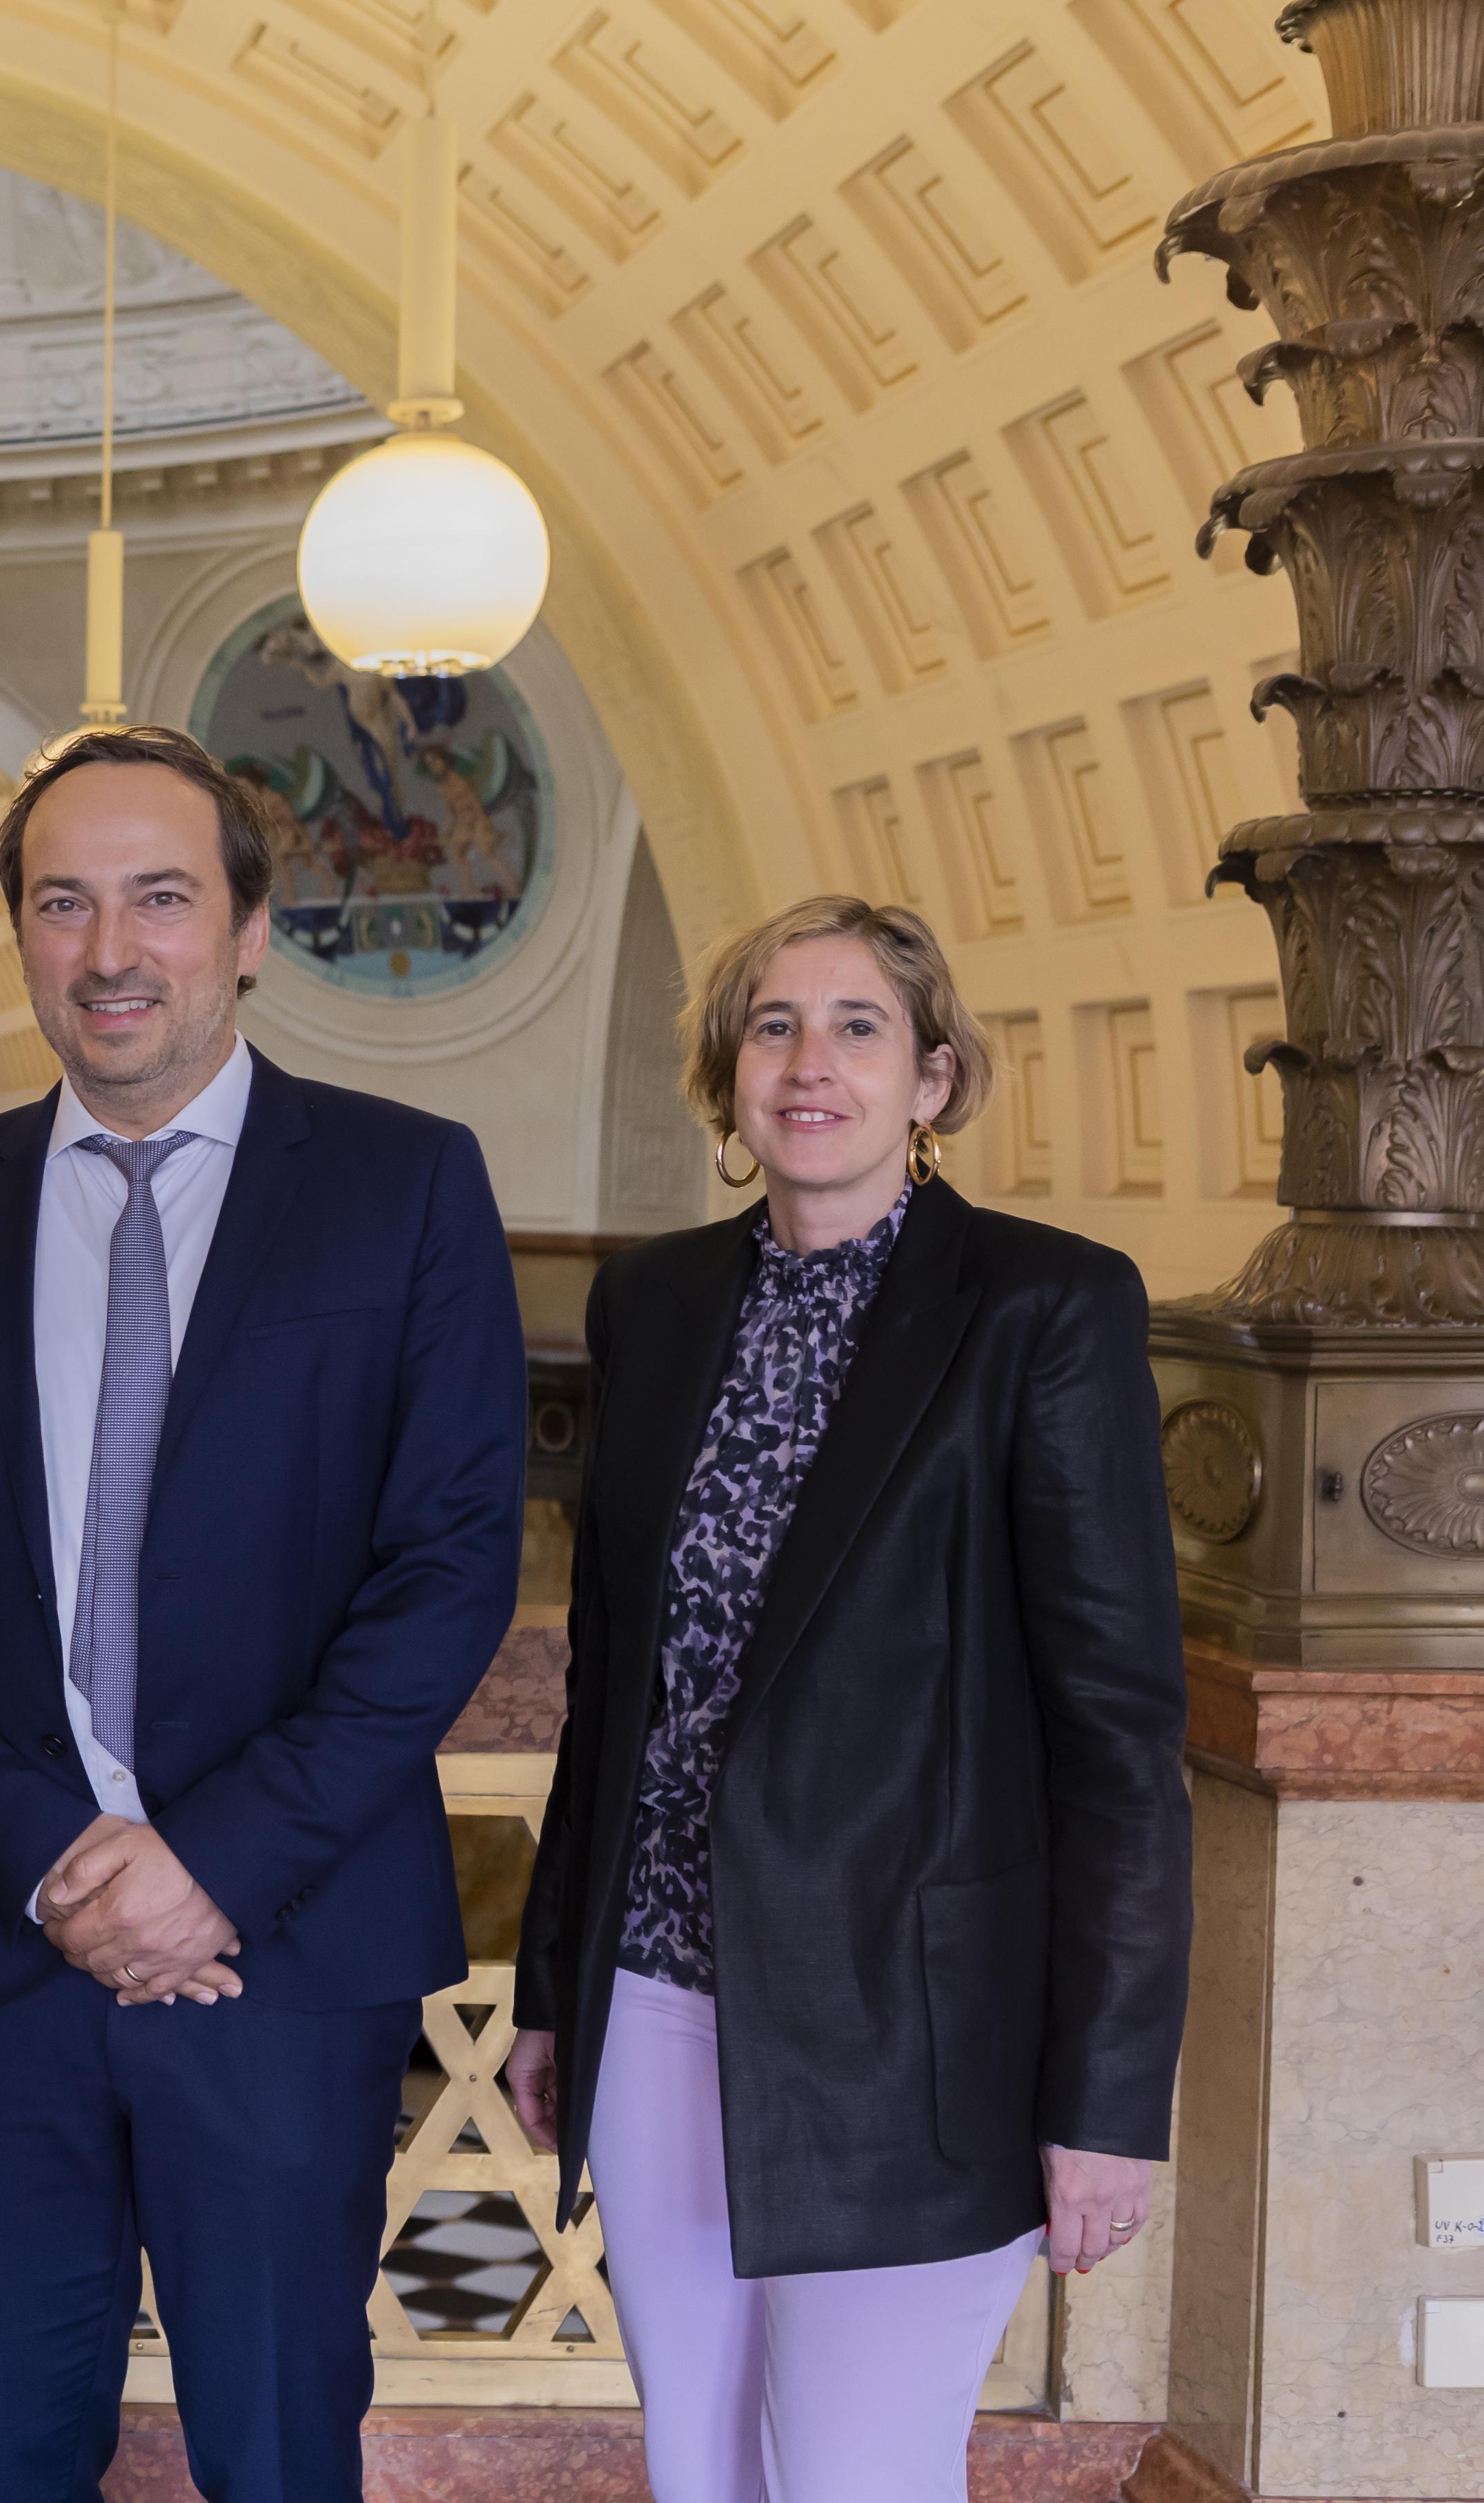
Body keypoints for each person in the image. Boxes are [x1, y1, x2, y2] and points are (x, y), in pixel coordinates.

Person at [0, 723, 526, 2503]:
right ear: (23, 938)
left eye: (160, 898)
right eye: (65, 904)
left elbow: (445, 1569)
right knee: (1, 2455)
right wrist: (57, 1863)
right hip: (1, 1958)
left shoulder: (406, 1187)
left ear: (248, 931)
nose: (111, 949)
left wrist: (205, 1861)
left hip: (280, 1954)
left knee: (282, 2454)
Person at [502, 896, 1188, 2503]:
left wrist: (1106, 2098)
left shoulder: (1043, 1309)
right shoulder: (655, 1305)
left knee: (854, 2478)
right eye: (774, 1027)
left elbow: (1117, 1739)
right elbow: (616, 1691)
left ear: (934, 1081)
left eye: (860, 1028)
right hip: (662, 1995)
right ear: (728, 1077)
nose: (811, 1064)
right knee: (705, 2470)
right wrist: (555, 1982)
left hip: (917, 2037)